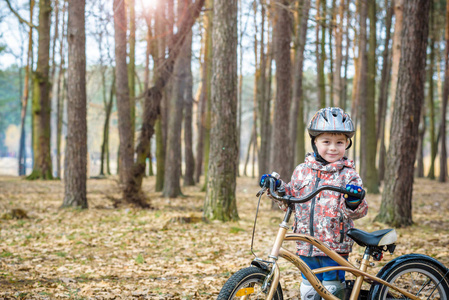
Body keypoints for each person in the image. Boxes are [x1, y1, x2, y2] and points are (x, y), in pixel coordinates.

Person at [260, 107, 368, 299]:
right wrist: (276, 186)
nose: (333, 148)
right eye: (326, 142)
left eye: (339, 142)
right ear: (315, 142)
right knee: (308, 292)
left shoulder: (348, 175)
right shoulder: (302, 171)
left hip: (333, 248)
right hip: (305, 246)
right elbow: (289, 198)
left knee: (332, 291)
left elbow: (359, 211)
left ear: (347, 144)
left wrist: (353, 201)